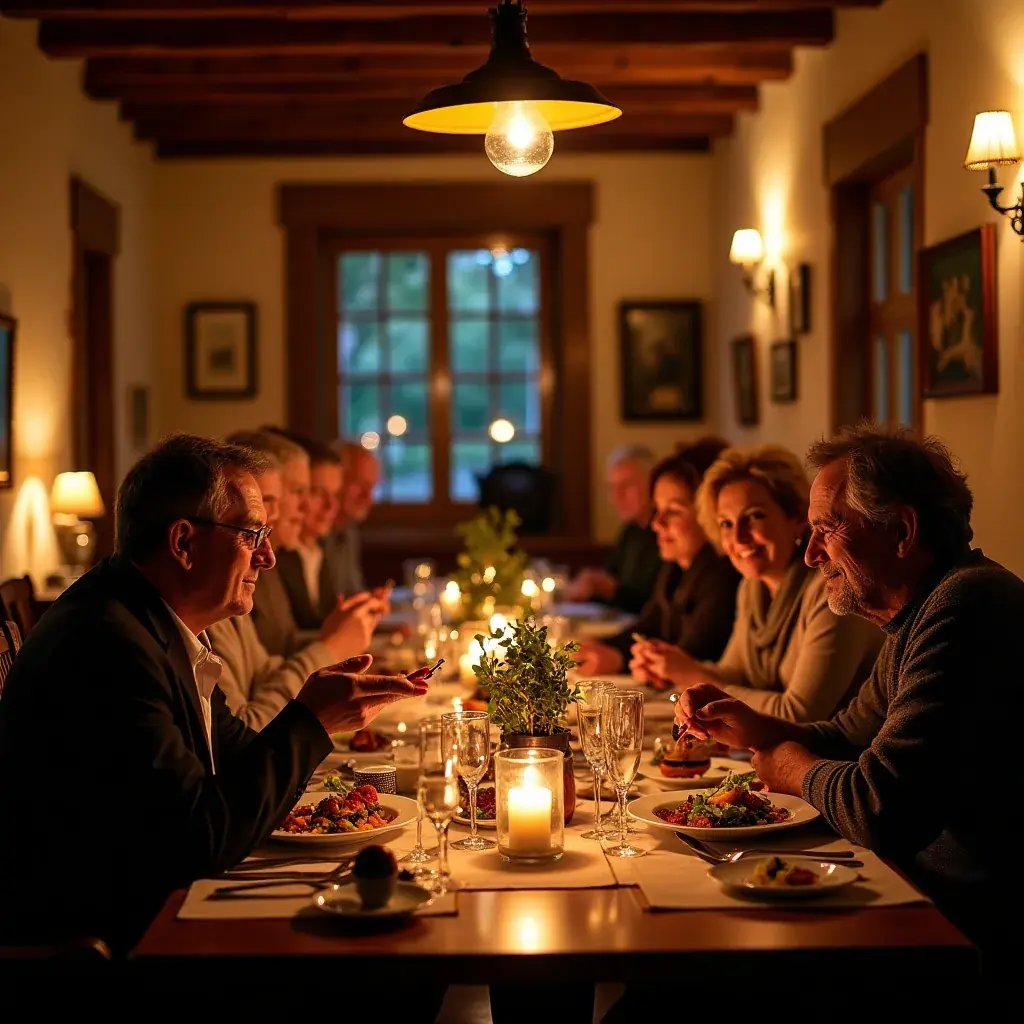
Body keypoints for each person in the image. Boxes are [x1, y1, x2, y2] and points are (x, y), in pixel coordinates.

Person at [0, 435, 427, 955]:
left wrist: (321, 711)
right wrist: (310, 721)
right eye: (252, 535)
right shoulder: (109, 646)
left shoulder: (157, 622)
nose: (268, 557)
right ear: (183, 543)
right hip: (117, 945)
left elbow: (236, 756)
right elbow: (197, 841)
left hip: (164, 906)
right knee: (391, 959)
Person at [675, 424, 1020, 997]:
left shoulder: (965, 607)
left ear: (903, 531)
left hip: (965, 930)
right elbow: (846, 735)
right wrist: (760, 728)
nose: (810, 555)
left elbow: (879, 806)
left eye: (826, 531)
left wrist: (790, 768)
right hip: (913, 897)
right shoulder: (921, 610)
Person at [637, 445, 881, 722]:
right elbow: (734, 674)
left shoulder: (831, 591)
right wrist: (673, 667)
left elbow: (798, 713)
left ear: (796, 517)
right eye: (726, 524)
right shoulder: (752, 588)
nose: (739, 539)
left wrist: (694, 677)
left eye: (754, 516)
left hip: (840, 760)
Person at [209, 435, 384, 731]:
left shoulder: (247, 574)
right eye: (300, 491)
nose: (303, 507)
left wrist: (341, 648)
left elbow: (266, 670)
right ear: (183, 542)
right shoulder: (217, 592)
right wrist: (331, 647)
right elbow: (246, 728)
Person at [574, 438, 740, 677]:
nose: (656, 523)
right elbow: (646, 627)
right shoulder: (675, 569)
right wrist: (602, 648)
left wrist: (619, 658)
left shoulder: (722, 577)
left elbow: (691, 656)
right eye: (657, 509)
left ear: (710, 515)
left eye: (672, 511)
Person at [566, 444, 662, 614]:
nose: (616, 497)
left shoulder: (666, 534)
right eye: (612, 487)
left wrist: (606, 587)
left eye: (627, 485)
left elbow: (654, 605)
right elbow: (611, 580)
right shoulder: (630, 532)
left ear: (654, 485)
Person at [276, 439, 347, 629]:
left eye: (336, 495)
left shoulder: (321, 549)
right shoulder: (274, 554)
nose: (330, 506)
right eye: (317, 492)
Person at [329, 440, 381, 595]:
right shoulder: (312, 533)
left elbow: (353, 593)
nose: (368, 497)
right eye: (360, 484)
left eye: (371, 487)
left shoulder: (348, 529)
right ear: (336, 481)